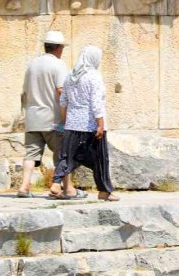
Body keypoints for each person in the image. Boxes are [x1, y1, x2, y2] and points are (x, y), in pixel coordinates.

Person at [18, 30, 82, 199]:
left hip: (32, 117)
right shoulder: (58, 65)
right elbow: (61, 91)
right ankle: (68, 189)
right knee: (63, 153)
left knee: (31, 154)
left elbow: (24, 92)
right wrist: (66, 118)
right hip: (53, 119)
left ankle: (24, 187)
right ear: (59, 48)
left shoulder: (32, 64)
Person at [50, 45, 118, 202]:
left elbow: (63, 101)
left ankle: (55, 183)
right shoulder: (94, 76)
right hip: (90, 125)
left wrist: (66, 122)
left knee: (67, 156)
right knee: (100, 159)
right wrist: (100, 124)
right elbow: (96, 103)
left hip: (72, 124)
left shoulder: (70, 76)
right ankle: (104, 192)